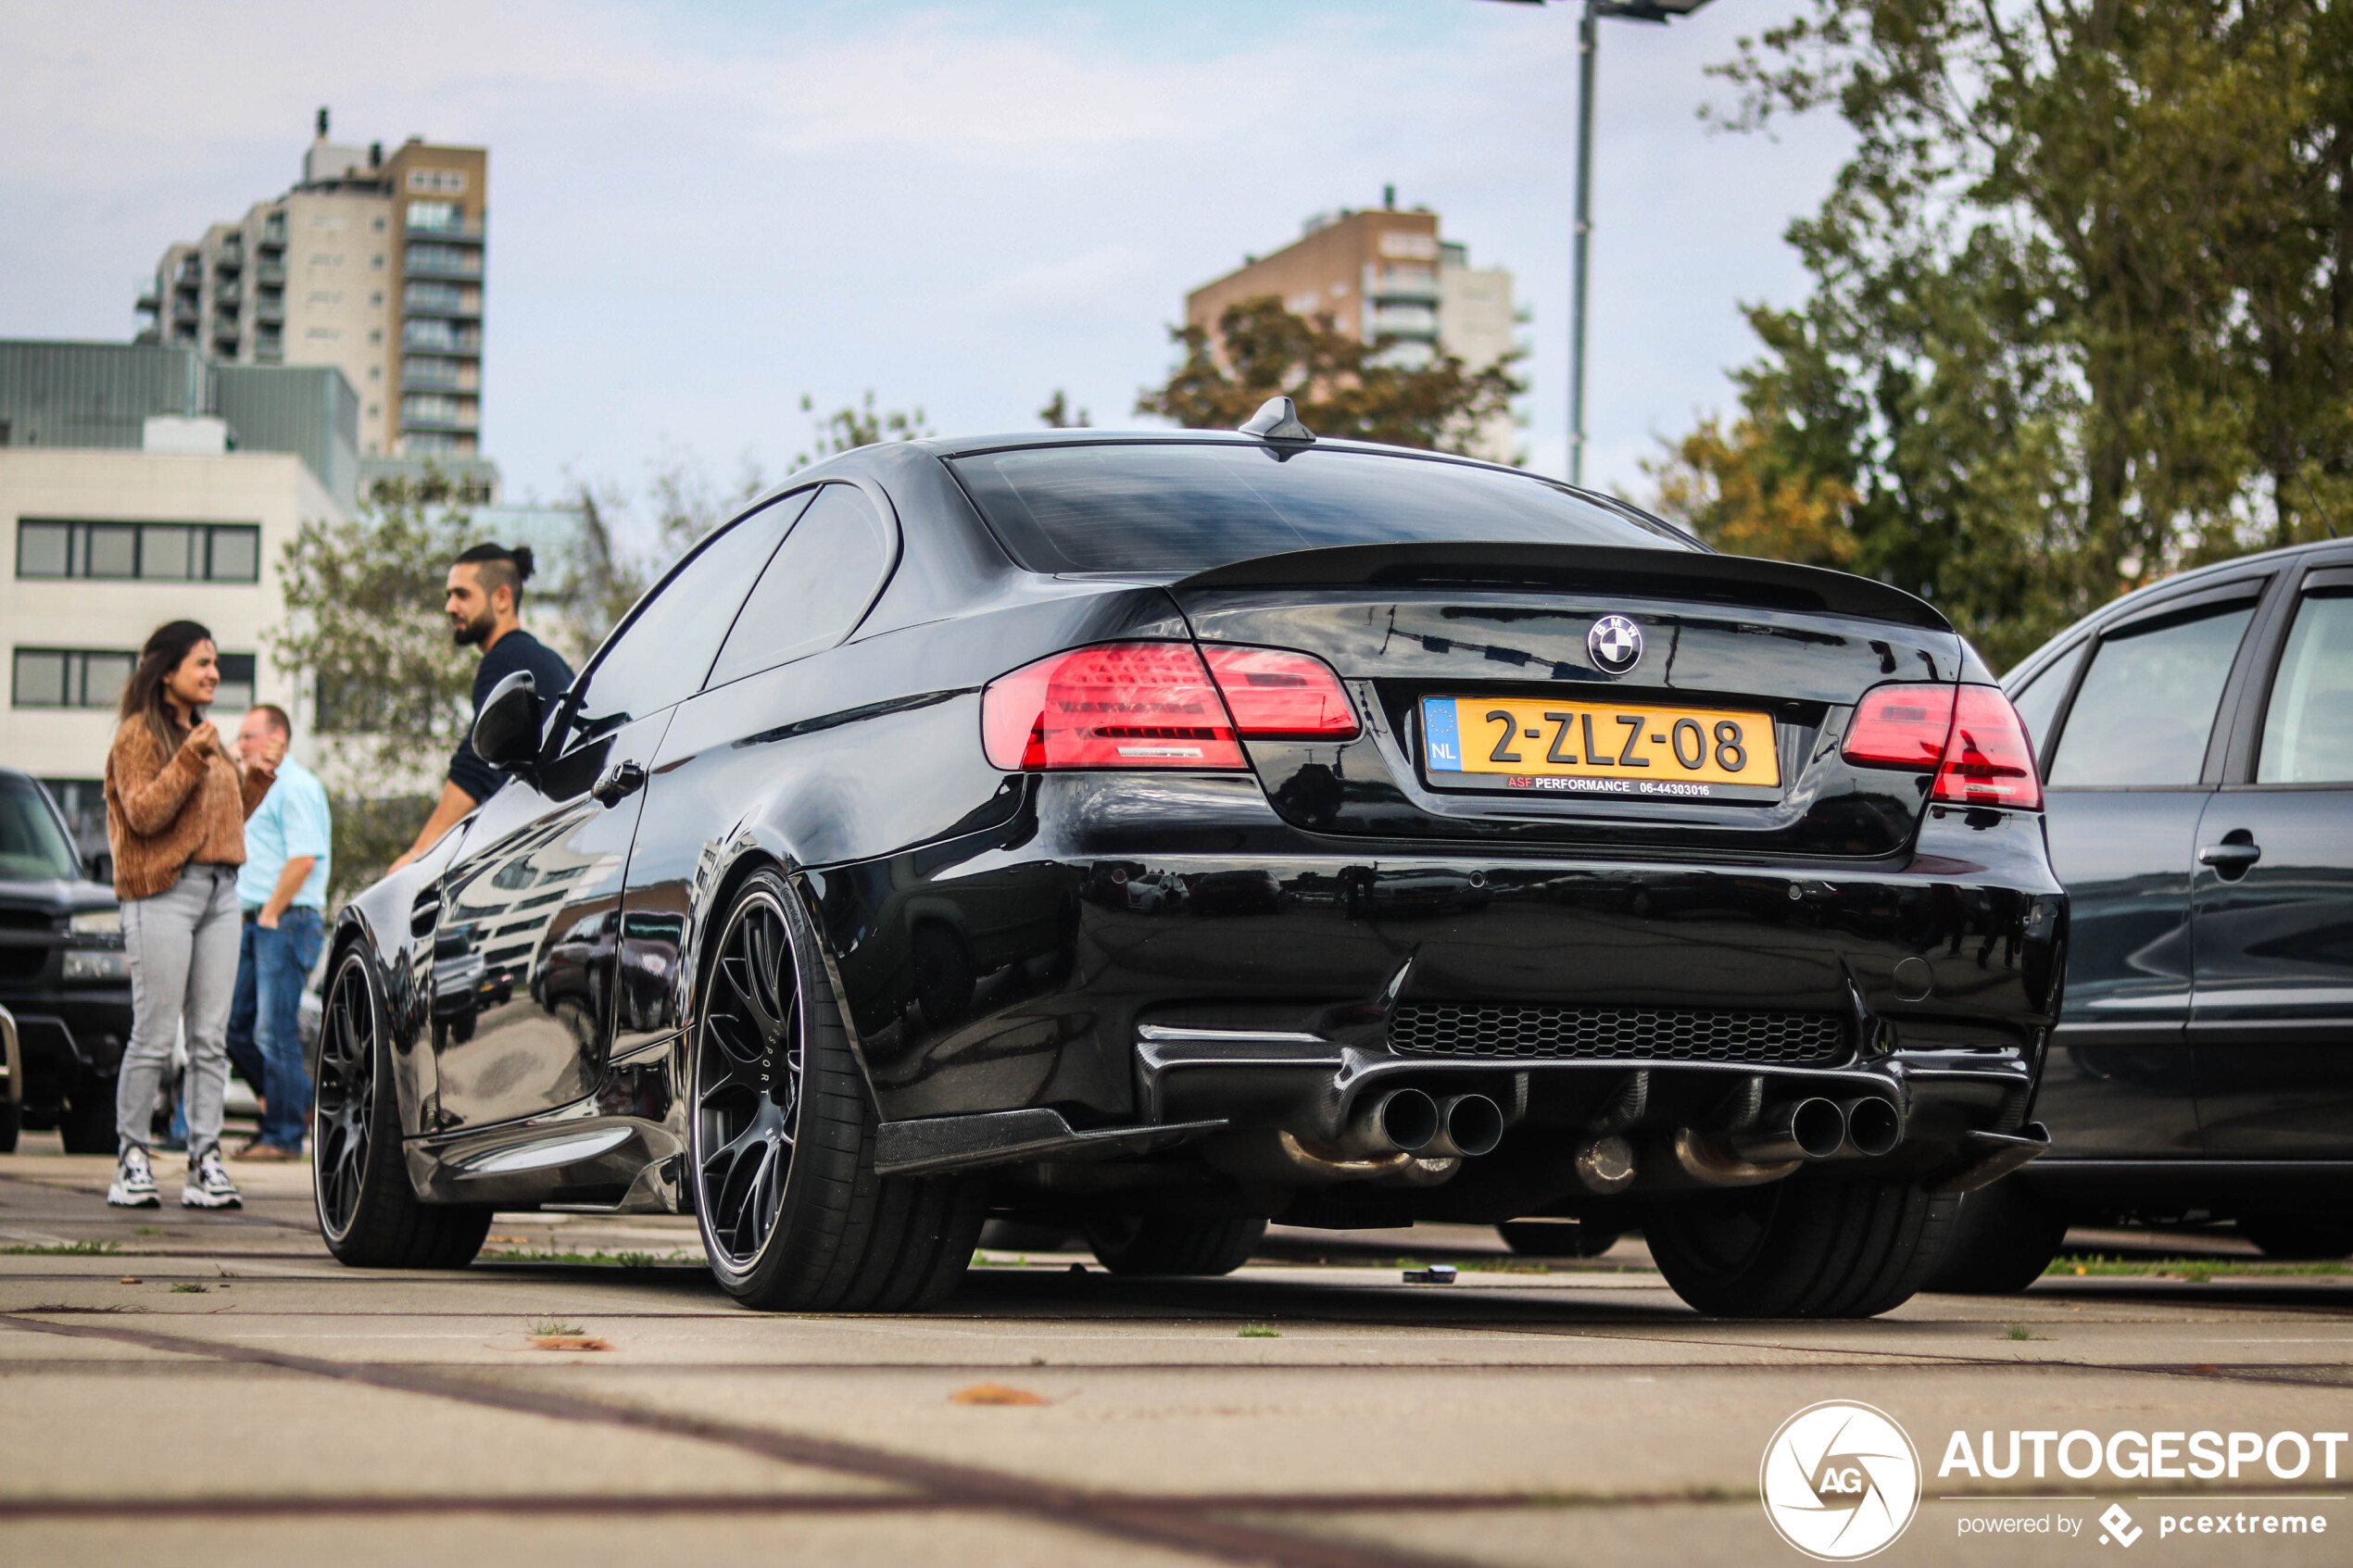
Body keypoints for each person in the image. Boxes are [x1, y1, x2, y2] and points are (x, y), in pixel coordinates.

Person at [102, 621, 275, 1210]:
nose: (213, 673)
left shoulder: (204, 737)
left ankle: (205, 1162)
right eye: (202, 662)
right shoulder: (138, 735)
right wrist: (190, 758)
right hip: (162, 893)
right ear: (166, 671)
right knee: (153, 1036)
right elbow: (145, 814)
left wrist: (255, 779)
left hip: (222, 893)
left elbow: (218, 824)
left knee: (209, 1039)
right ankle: (131, 1158)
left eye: (215, 662)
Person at [390, 544, 573, 872]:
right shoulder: (547, 660)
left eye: (462, 595)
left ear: (502, 598)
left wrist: (418, 854)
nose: (449, 606)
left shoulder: (506, 659)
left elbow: (480, 763)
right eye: (448, 595)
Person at [223, 703, 331, 1161]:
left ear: (276, 738)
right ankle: (297, 1104)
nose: (241, 744)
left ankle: (284, 1134)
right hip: (254, 920)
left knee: (275, 1031)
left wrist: (270, 911)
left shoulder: (296, 786)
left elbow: (304, 857)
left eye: (249, 736)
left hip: (285, 921)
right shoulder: (256, 783)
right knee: (233, 1028)